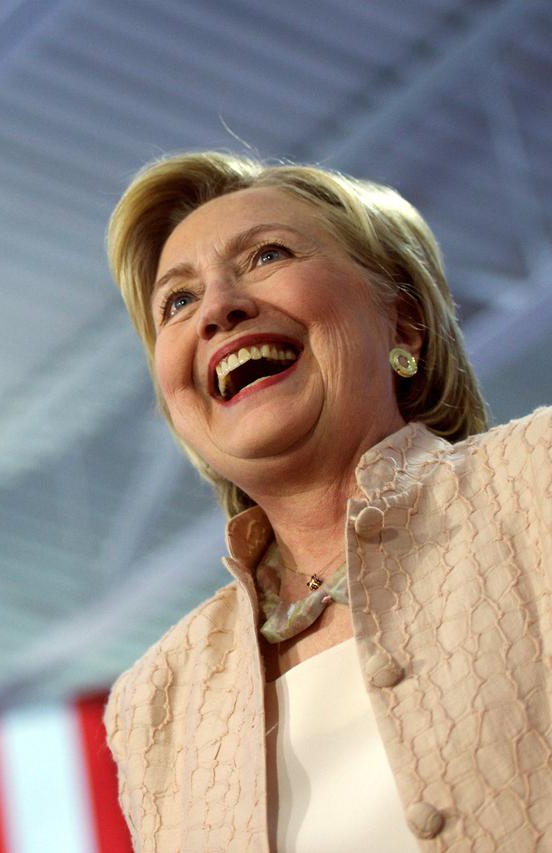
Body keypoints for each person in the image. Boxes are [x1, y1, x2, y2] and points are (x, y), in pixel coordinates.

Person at [100, 151, 552, 851]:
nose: (218, 309)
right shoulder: (159, 697)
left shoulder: (537, 479)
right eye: (178, 302)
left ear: (403, 326)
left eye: (266, 254)